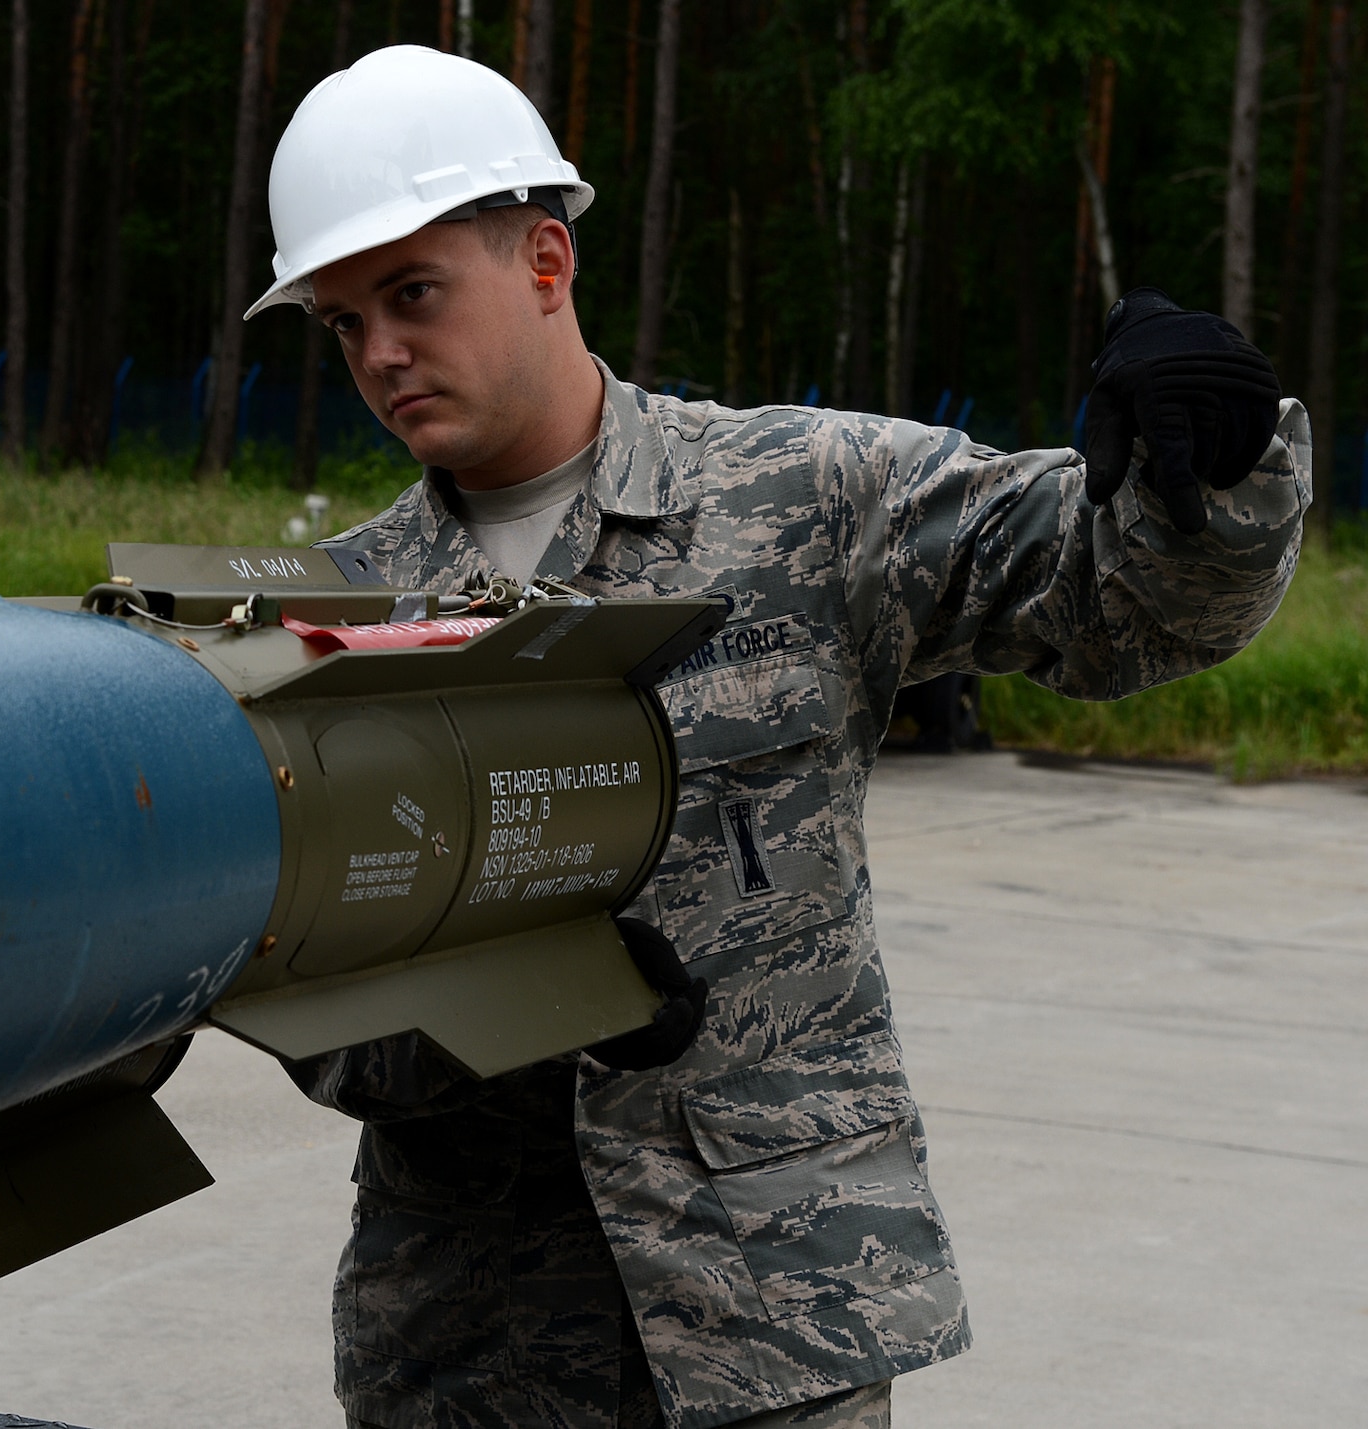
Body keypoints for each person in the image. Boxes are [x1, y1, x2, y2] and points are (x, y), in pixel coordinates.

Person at [245, 45, 1307, 1429]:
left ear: (548, 263)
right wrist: (499, 1016)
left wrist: (1215, 468)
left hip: (776, 1316)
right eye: (342, 320)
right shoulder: (341, 614)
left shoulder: (807, 495)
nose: (380, 352)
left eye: (414, 294)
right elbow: (295, 981)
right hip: (474, 1343)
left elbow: (1116, 604)